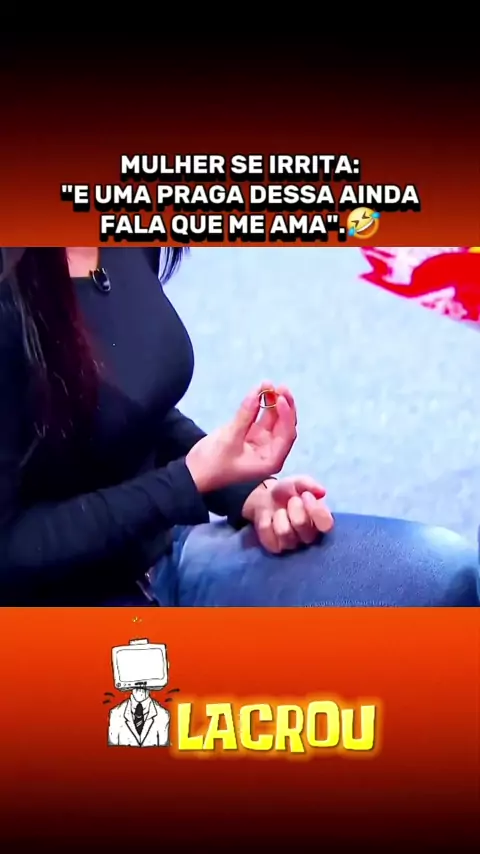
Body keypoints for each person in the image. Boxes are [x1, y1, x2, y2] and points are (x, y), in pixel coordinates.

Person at [0, 248, 478, 607]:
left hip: (159, 559)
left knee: (445, 574)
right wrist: (189, 480)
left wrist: (244, 489)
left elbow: (121, 410)